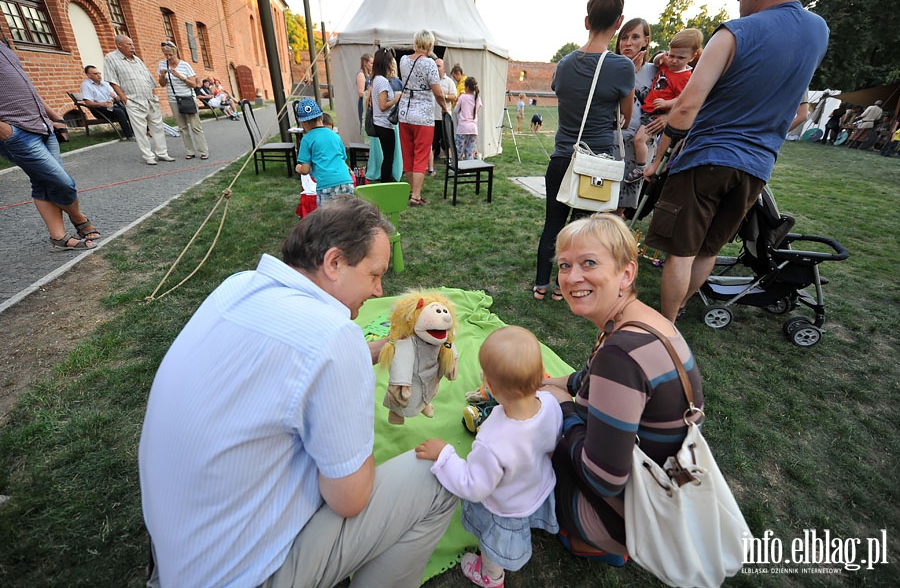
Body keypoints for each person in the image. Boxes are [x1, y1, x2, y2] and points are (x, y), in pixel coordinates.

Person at [139, 197, 457, 587]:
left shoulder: (237, 286)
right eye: (375, 274)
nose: (379, 291)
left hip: (178, 555)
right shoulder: (332, 336)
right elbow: (350, 499)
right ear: (334, 263)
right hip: (242, 575)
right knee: (437, 478)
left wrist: (369, 351)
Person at [643, 0, 829, 322]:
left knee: (682, 251)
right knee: (709, 249)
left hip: (706, 157)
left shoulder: (734, 32)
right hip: (757, 167)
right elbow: (799, 113)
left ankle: (664, 324)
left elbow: (686, 106)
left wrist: (663, 148)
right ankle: (680, 308)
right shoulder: (818, 32)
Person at [541, 213, 704, 564]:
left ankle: (592, 539)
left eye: (588, 263)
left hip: (626, 516)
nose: (572, 278)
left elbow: (604, 480)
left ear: (626, 274)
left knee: (526, 446)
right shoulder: (644, 322)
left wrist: (562, 407)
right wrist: (556, 382)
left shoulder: (621, 355)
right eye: (565, 265)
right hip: (664, 486)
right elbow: (594, 380)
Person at [416, 325, 562, 588]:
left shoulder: (493, 441)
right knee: (524, 515)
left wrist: (444, 455)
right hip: (535, 484)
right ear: (541, 374)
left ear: (490, 387)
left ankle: (491, 575)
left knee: (494, 544)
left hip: (505, 506)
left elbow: (474, 486)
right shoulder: (551, 403)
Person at [532, 0, 634, 302]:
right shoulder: (622, 67)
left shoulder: (563, 65)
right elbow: (626, 120)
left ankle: (540, 285)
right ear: (618, 23)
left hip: (563, 156)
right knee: (583, 230)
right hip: (597, 164)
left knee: (553, 224)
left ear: (586, 20)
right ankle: (568, 288)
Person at [0, 41, 101, 251]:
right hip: (17, 132)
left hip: (43, 126)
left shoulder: (3, 45)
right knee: (63, 183)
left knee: (42, 182)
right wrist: (6, 130)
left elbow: (27, 89)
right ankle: (79, 218)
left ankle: (58, 237)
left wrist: (56, 118)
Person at [627, 28, 703, 183]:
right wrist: (662, 56)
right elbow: (656, 62)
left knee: (639, 140)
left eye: (680, 57)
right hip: (649, 110)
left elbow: (683, 99)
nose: (674, 60)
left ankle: (640, 168)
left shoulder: (686, 77)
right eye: (671, 55)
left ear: (692, 56)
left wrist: (667, 103)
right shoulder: (667, 66)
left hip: (657, 114)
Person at [104, 35, 175, 166]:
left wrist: (154, 95)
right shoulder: (111, 58)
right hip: (133, 100)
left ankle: (162, 153)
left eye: (132, 44)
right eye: (129, 45)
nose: (132, 47)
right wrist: (125, 100)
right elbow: (112, 81)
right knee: (141, 130)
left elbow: (149, 78)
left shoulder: (137, 59)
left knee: (157, 127)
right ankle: (148, 155)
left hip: (150, 99)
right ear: (119, 45)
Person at [614, 18, 661, 215]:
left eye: (635, 37)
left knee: (621, 208)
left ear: (646, 40)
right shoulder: (611, 66)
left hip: (639, 146)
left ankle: (614, 244)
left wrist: (666, 118)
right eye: (624, 37)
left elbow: (678, 95)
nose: (628, 42)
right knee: (600, 200)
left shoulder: (656, 71)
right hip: (612, 141)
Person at [397, 29, 448, 206]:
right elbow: (438, 92)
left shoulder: (403, 61)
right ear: (429, 44)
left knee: (408, 154)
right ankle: (416, 195)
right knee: (421, 155)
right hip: (423, 115)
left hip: (405, 113)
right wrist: (444, 107)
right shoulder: (429, 64)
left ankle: (412, 190)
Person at [294, 98, 354, 205]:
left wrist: (298, 168)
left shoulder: (307, 139)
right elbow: (342, 159)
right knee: (347, 217)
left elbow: (305, 170)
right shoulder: (335, 136)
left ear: (304, 123)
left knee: (327, 219)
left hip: (326, 185)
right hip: (346, 182)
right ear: (321, 117)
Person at [157, 41, 209, 160]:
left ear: (176, 53)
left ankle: (203, 150)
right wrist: (162, 76)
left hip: (187, 98)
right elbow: (162, 84)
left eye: (170, 55)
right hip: (173, 99)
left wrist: (180, 77)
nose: (168, 58)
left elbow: (193, 85)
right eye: (166, 55)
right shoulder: (162, 65)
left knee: (195, 126)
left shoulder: (185, 65)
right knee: (182, 127)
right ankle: (190, 151)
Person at [369, 47, 403, 183]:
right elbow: (383, 106)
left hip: (379, 123)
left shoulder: (375, 80)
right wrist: (396, 98)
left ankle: (387, 179)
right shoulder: (382, 81)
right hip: (384, 124)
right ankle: (386, 181)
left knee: (387, 156)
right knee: (389, 156)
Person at [79, 65, 135, 140]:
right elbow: (88, 103)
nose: (98, 75)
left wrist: (115, 97)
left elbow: (118, 99)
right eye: (95, 74)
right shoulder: (86, 85)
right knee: (119, 112)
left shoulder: (105, 84)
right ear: (89, 75)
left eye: (99, 73)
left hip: (112, 106)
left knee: (128, 109)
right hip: (99, 109)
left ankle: (136, 131)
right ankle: (129, 135)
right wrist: (103, 104)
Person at [428, 58, 457, 176]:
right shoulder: (429, 80)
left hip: (444, 117)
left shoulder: (449, 82)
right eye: (435, 65)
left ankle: (450, 164)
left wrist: (442, 96)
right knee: (432, 143)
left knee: (447, 143)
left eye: (439, 66)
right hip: (432, 118)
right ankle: (430, 167)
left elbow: (454, 96)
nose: (436, 68)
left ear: (444, 68)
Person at [454, 76, 483, 161]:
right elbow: (477, 110)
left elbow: (456, 110)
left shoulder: (463, 97)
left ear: (466, 87)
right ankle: (468, 170)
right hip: (473, 128)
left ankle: (456, 168)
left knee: (458, 151)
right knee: (470, 151)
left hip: (463, 128)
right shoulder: (477, 98)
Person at [357, 52, 373, 126]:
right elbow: (360, 93)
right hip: (364, 104)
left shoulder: (370, 75)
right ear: (365, 63)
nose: (372, 65)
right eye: (371, 63)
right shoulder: (361, 75)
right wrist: (370, 93)